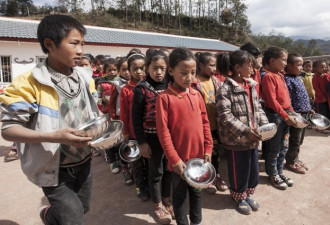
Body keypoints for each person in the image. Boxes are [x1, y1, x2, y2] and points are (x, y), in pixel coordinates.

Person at [0, 15, 99, 225]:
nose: (80, 50)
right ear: (50, 44)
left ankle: (48, 216)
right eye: (74, 43)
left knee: (83, 208)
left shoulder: (85, 77)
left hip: (84, 161)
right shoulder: (28, 83)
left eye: (82, 43)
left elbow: (92, 115)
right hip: (53, 168)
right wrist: (53, 137)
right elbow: (9, 129)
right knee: (73, 219)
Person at [156, 47, 213, 225]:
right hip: (178, 163)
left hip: (198, 160)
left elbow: (205, 123)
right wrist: (175, 160)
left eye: (193, 73)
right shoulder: (164, 98)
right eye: (184, 73)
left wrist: (208, 149)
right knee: (179, 197)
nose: (189, 77)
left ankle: (196, 222)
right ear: (171, 71)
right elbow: (163, 133)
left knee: (197, 194)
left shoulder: (196, 95)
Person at [216, 50, 268, 215]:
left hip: (253, 137)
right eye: (250, 65)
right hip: (236, 139)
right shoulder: (225, 89)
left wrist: (265, 126)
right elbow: (226, 117)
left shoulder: (251, 85)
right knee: (240, 170)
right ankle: (238, 196)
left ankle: (247, 194)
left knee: (253, 169)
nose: (253, 68)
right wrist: (246, 131)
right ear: (238, 67)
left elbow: (258, 108)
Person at [132, 49, 173, 224]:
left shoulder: (171, 85)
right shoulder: (141, 89)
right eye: (155, 68)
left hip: (170, 138)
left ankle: (166, 197)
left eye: (162, 68)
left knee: (169, 169)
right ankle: (157, 204)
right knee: (156, 172)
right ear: (147, 68)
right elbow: (136, 117)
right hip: (152, 138)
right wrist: (142, 142)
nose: (159, 72)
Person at [261, 46, 297, 190]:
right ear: (272, 60)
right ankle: (272, 173)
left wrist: (292, 113)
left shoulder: (280, 75)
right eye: (283, 60)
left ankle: (280, 171)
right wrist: (285, 115)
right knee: (274, 148)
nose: (285, 63)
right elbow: (272, 101)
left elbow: (286, 99)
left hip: (285, 115)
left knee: (284, 146)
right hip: (276, 116)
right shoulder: (268, 76)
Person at [193, 51, 228, 194]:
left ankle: (215, 175)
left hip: (215, 126)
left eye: (215, 66)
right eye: (211, 65)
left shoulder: (215, 81)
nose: (214, 69)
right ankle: (206, 177)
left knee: (215, 153)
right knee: (202, 154)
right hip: (201, 127)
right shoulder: (195, 83)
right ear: (201, 65)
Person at [120, 50, 150, 200]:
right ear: (129, 70)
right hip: (133, 133)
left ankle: (151, 185)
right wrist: (126, 133)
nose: (139, 72)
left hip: (150, 132)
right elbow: (124, 114)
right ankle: (140, 187)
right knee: (137, 163)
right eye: (135, 69)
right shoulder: (126, 90)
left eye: (142, 68)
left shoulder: (149, 87)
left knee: (150, 162)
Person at [284, 53, 313, 174]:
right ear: (289, 66)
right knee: (294, 139)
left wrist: (309, 108)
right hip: (297, 116)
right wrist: (294, 114)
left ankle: (295, 158)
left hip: (305, 113)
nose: (301, 68)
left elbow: (303, 96)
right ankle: (290, 161)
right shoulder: (287, 80)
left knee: (300, 139)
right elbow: (288, 99)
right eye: (299, 65)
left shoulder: (298, 78)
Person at [112, 57, 134, 185]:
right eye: (123, 69)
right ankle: (125, 168)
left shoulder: (138, 83)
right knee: (123, 145)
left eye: (128, 69)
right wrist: (115, 118)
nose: (126, 72)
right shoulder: (116, 85)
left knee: (133, 145)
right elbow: (112, 103)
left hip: (134, 119)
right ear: (119, 71)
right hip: (121, 119)